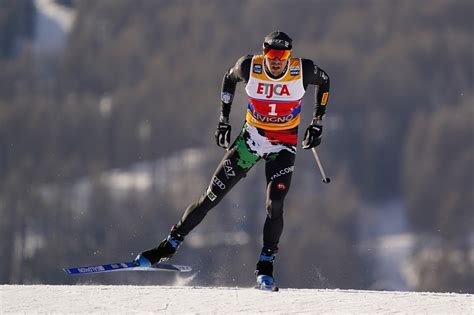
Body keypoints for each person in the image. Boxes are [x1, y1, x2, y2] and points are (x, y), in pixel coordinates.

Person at [135, 31, 330, 289]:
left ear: (289, 55)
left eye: (282, 55)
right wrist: (223, 121)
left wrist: (317, 123)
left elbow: (325, 82)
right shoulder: (249, 66)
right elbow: (228, 80)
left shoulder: (302, 70)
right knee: (211, 196)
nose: (277, 61)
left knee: (276, 204)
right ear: (264, 52)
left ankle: (266, 263)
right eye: (272, 54)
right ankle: (169, 245)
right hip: (250, 142)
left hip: (282, 146)